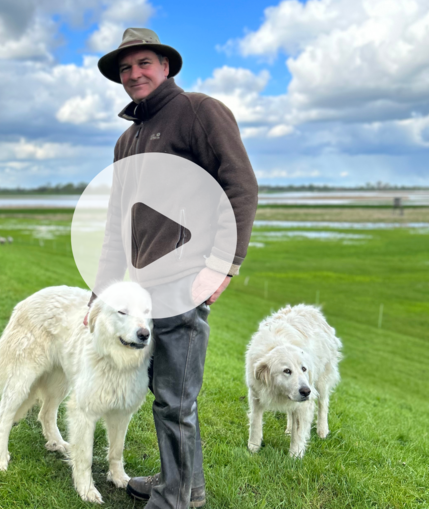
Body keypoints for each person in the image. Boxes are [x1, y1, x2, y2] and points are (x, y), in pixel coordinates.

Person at [85, 28, 258, 508]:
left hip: (185, 279)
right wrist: (101, 291)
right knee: (165, 396)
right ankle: (181, 486)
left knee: (177, 399)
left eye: (143, 63)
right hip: (142, 294)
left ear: (166, 66)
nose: (133, 74)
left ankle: (176, 501)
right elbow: (118, 224)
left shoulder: (200, 111)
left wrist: (225, 265)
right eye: (125, 68)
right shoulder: (126, 140)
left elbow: (240, 186)